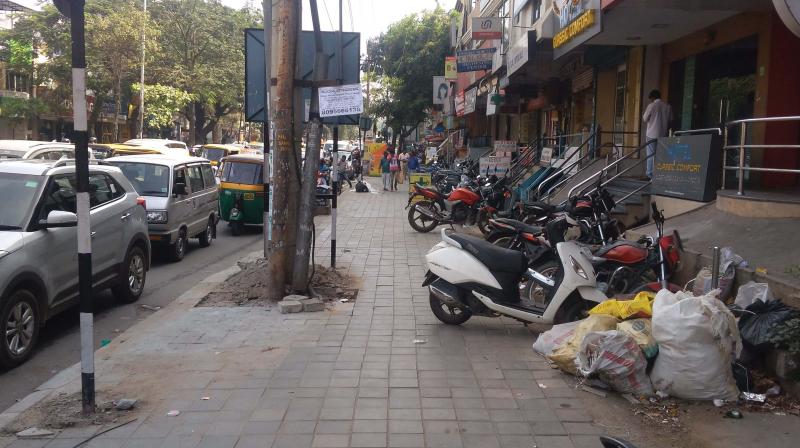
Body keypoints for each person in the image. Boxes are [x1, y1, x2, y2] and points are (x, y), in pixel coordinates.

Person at [642, 89, 672, 178]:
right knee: (660, 155)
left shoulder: (652, 106)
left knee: (651, 155)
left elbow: (645, 119)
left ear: (653, 97)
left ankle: (650, 174)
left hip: (651, 134)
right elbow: (670, 119)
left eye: (651, 98)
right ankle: (659, 175)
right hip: (663, 134)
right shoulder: (667, 106)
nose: (650, 100)